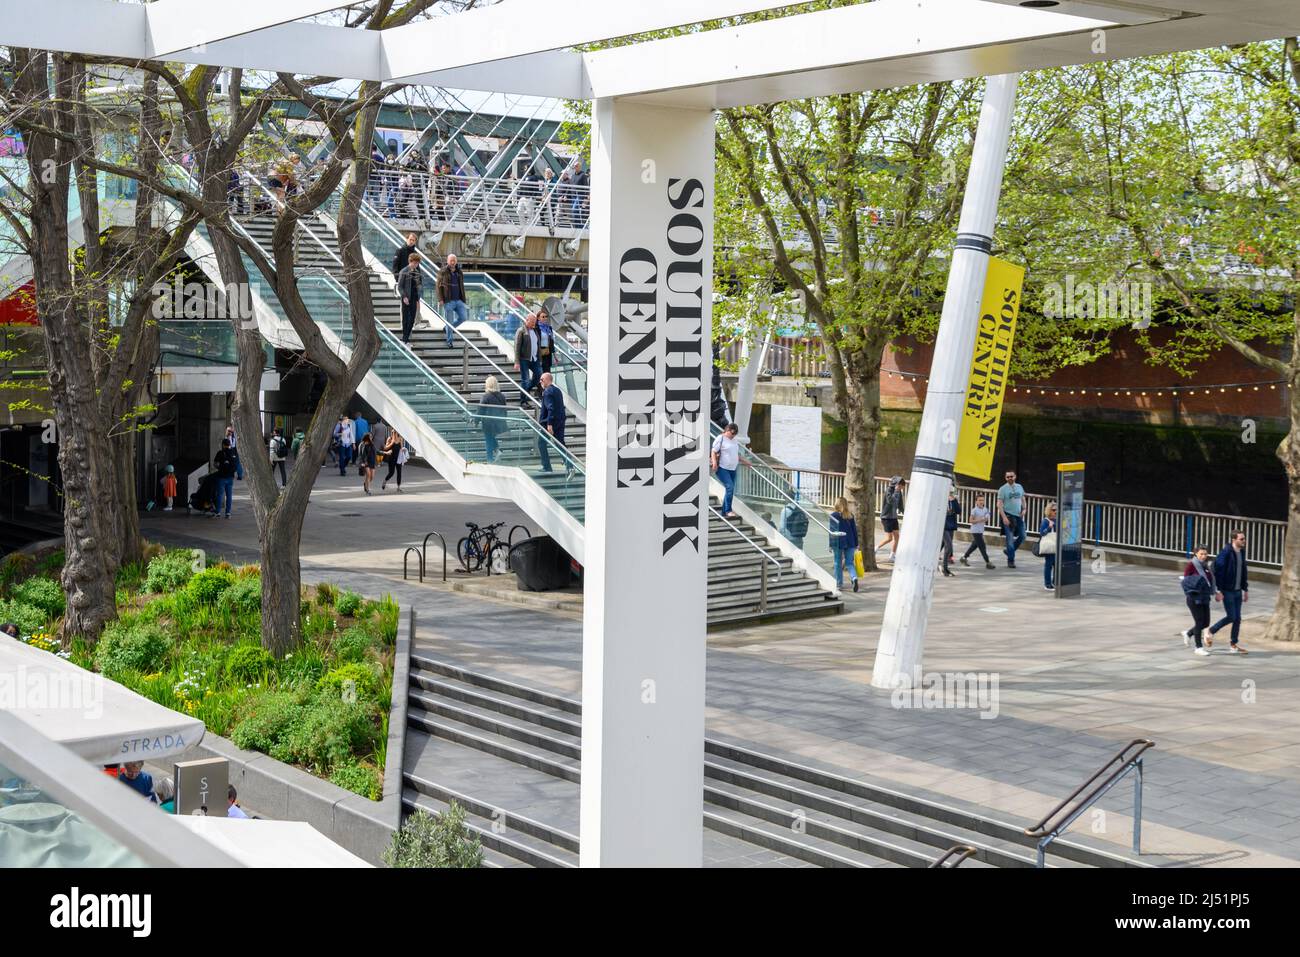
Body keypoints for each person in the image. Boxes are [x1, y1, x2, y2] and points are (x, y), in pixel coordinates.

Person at [1208, 530, 1250, 654]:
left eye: (1244, 538)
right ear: (1234, 540)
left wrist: (1245, 589)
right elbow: (1218, 572)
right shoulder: (1225, 553)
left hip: (1237, 591)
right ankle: (1211, 630)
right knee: (1232, 616)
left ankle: (1233, 644)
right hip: (1227, 591)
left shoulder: (1241, 552)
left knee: (1237, 618)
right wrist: (1218, 590)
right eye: (1241, 539)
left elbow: (1243, 571)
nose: (1244, 541)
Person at [1180, 545, 1219, 657]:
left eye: (1205, 554)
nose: (1203, 556)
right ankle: (1198, 647)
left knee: (1206, 622)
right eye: (1201, 554)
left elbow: (1210, 581)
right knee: (1199, 622)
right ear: (1196, 554)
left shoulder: (1205, 565)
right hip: (1194, 598)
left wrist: (1216, 591)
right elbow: (1185, 582)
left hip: (1205, 597)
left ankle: (1188, 633)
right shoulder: (1191, 565)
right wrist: (1195, 587)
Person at [710, 423, 742, 518]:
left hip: (733, 469)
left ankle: (724, 512)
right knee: (730, 487)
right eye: (732, 433)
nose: (733, 435)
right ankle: (728, 510)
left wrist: (746, 461)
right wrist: (715, 463)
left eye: (735, 434)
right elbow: (713, 451)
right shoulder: (721, 438)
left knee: (731, 490)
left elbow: (735, 454)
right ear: (727, 430)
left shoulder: (735, 440)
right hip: (722, 468)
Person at [437, 253, 469, 347]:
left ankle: (447, 328)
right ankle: (449, 341)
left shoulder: (459, 272)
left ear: (456, 261)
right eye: (451, 260)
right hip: (448, 301)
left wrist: (463, 299)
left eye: (454, 260)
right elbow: (438, 286)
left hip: (459, 300)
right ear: (447, 261)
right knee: (449, 321)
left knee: (463, 318)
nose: (452, 262)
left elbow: (461, 286)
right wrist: (440, 299)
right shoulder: (442, 271)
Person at [997, 469, 1027, 568]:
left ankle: (1009, 551)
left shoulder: (1020, 487)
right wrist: (1004, 517)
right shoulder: (1002, 489)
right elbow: (999, 505)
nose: (1010, 478)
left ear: (1015, 477)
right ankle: (1011, 560)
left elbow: (1023, 499)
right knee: (1009, 539)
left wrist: (1024, 509)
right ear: (1005, 478)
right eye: (1008, 477)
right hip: (1008, 516)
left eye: (1011, 476)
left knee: (1023, 536)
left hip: (1019, 516)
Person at [537, 372, 566, 473]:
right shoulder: (557, 390)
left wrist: (549, 424)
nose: (540, 381)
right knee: (560, 444)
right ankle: (570, 466)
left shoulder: (547, 392)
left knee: (541, 443)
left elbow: (551, 408)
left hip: (549, 423)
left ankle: (547, 467)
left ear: (548, 380)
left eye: (542, 379)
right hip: (560, 421)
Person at [830, 496, 860, 593]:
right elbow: (854, 531)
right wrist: (856, 543)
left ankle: (839, 584)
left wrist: (830, 544)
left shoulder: (833, 515)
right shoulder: (850, 515)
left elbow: (832, 531)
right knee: (850, 563)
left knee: (837, 563)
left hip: (838, 542)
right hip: (850, 541)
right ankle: (854, 578)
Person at [513, 312, 542, 405]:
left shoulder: (535, 331)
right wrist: (516, 361)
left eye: (535, 321)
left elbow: (538, 346)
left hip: (534, 359)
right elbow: (517, 346)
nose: (534, 323)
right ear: (527, 320)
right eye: (532, 321)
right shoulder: (521, 331)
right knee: (525, 379)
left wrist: (540, 359)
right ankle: (523, 400)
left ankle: (527, 389)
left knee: (539, 375)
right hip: (524, 359)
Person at [960, 494, 996, 569]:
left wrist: (986, 517)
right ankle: (988, 562)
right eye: (979, 500)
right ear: (976, 501)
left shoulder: (985, 509)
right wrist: (979, 520)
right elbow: (970, 520)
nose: (981, 502)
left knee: (974, 545)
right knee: (982, 546)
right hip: (975, 531)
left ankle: (964, 558)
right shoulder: (974, 510)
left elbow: (986, 517)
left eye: (982, 500)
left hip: (981, 530)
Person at [478, 375, 509, 463]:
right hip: (498, 422)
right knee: (491, 437)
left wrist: (476, 420)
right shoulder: (502, 396)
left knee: (488, 440)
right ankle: (497, 451)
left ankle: (490, 460)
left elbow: (480, 410)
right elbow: (504, 409)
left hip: (488, 423)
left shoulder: (486, 396)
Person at [876, 476, 905, 562]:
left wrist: (905, 513)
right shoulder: (889, 490)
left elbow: (900, 505)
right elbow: (890, 501)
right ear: (897, 484)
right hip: (886, 517)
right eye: (901, 486)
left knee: (897, 537)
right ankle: (876, 548)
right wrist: (896, 491)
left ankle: (892, 555)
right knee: (889, 538)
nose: (902, 488)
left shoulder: (899, 492)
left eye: (902, 487)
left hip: (893, 517)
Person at [396, 252, 423, 344]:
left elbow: (419, 285)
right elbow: (400, 286)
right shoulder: (404, 271)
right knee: (405, 318)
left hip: (414, 298)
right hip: (406, 298)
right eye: (415, 263)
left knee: (412, 319)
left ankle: (406, 337)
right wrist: (404, 296)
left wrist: (418, 297)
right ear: (410, 261)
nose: (416, 265)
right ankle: (405, 338)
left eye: (417, 263)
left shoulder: (417, 272)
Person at [212, 438, 239, 518]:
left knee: (220, 495)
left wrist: (219, 468)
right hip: (230, 477)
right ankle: (228, 513)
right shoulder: (233, 453)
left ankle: (218, 512)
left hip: (221, 477)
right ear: (229, 444)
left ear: (223, 445)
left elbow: (215, 464)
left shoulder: (220, 453)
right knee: (229, 496)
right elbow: (236, 465)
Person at [940, 489, 960, 577]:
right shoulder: (942, 499)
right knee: (949, 546)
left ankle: (945, 567)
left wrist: (954, 500)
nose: (951, 494)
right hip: (943, 526)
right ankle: (944, 568)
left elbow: (959, 511)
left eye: (952, 493)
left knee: (946, 546)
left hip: (951, 526)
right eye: (949, 492)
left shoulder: (953, 500)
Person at [1039, 501, 1058, 591]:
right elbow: (1042, 533)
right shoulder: (1045, 521)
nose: (1056, 511)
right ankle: (1047, 584)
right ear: (1049, 511)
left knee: (1057, 565)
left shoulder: (1057, 520)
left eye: (1057, 510)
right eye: (1054, 510)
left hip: (1056, 545)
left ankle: (1054, 582)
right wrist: (1049, 527)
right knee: (1049, 565)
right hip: (1049, 545)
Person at [537, 307, 556, 375]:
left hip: (548, 352)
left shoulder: (549, 328)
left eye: (546, 317)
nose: (545, 318)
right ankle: (539, 385)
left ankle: (547, 385)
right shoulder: (536, 328)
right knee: (539, 371)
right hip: (539, 352)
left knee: (547, 371)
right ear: (538, 318)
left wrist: (554, 355)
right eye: (543, 317)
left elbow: (551, 341)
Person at [353, 411, 370, 476]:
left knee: (357, 450)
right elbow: (367, 429)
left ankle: (354, 462)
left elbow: (354, 430)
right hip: (365, 437)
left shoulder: (355, 422)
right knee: (365, 450)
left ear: (357, 416)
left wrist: (353, 440)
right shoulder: (365, 421)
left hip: (358, 438)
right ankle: (365, 461)